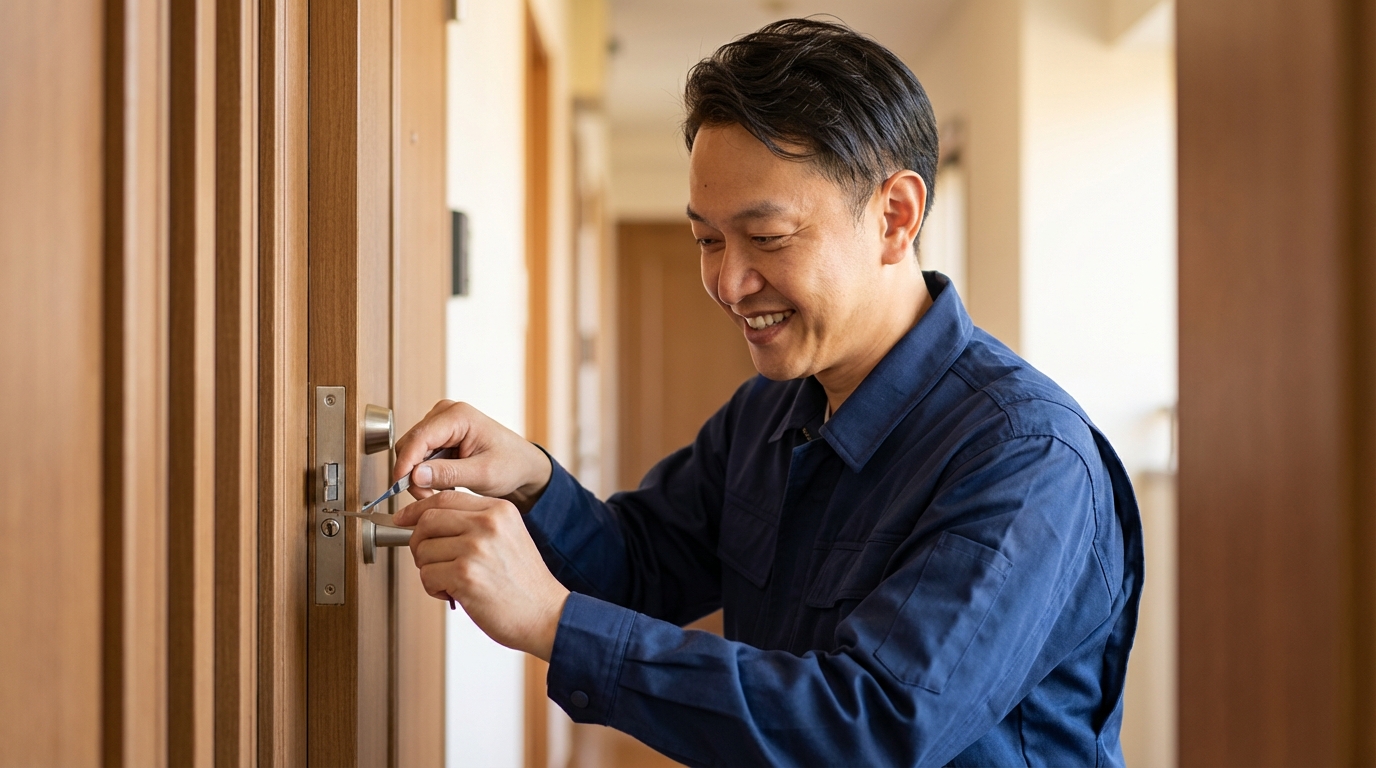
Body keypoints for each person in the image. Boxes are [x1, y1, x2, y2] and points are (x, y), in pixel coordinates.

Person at [392, 18, 1143, 767]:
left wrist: (554, 622)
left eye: (769, 238)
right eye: (707, 240)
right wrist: (530, 480)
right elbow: (643, 568)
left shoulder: (1026, 456)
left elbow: (872, 727)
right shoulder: (773, 409)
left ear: (895, 217)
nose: (727, 283)